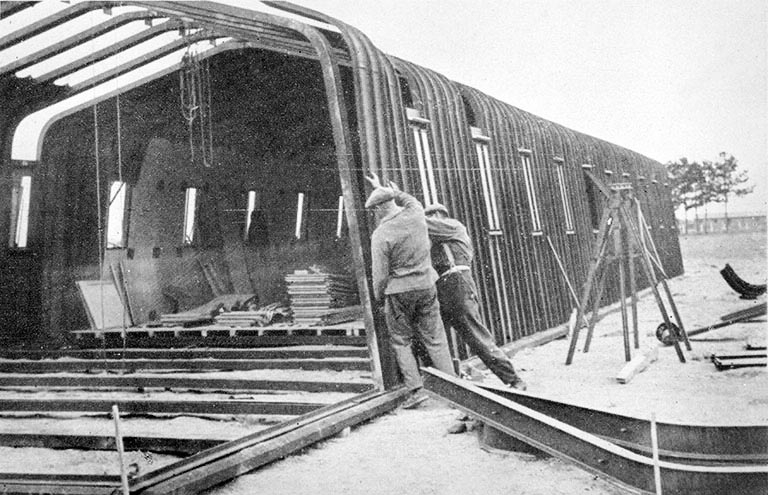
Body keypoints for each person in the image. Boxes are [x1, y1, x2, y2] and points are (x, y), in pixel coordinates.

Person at [387, 184, 527, 392]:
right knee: (430, 338)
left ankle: (513, 380)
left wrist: (395, 202)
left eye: (436, 216)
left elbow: (419, 222)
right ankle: (449, 379)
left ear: (442, 216)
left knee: (475, 336)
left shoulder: (453, 226)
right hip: (439, 288)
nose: (434, 220)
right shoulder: (432, 240)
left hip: (457, 285)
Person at [364, 173, 456, 408]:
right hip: (426, 285)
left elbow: (380, 275)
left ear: (380, 208)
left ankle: (416, 391)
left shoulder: (381, 235)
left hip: (398, 292)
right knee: (436, 338)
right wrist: (388, 190)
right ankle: (456, 390)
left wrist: (378, 298)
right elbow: (408, 199)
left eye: (375, 209)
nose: (374, 214)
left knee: (401, 340)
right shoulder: (416, 214)